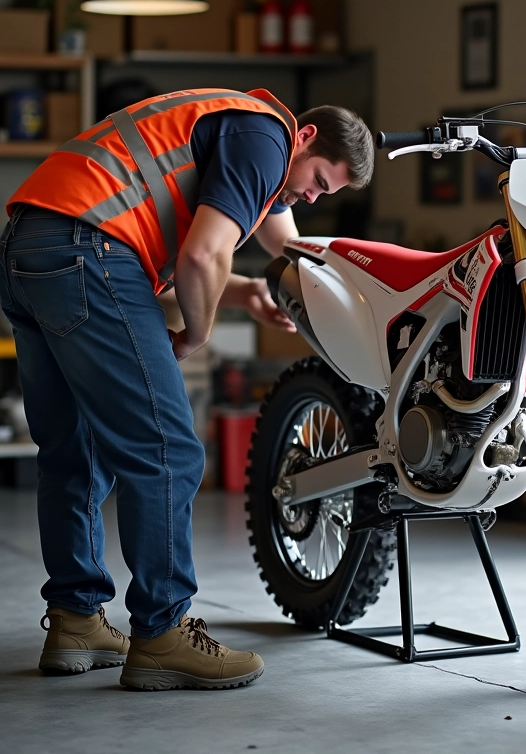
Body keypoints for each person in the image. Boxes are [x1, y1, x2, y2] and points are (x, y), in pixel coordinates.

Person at [0, 87, 374, 690]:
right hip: (89, 248)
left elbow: (291, 250)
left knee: (73, 450)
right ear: (304, 138)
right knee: (168, 449)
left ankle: (75, 620)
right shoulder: (266, 140)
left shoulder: (245, 134)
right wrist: (198, 333)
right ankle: (164, 632)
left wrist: (252, 289)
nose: (312, 195)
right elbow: (202, 258)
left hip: (31, 243)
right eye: (320, 181)